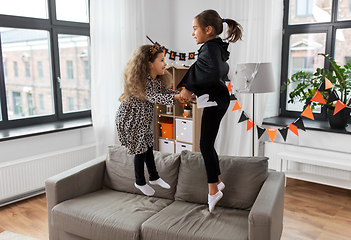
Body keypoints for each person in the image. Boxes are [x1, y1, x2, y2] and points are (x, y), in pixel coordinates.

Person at [178, 9, 243, 212]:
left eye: (195, 28)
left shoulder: (209, 48)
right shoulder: (214, 48)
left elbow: (210, 71)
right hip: (218, 99)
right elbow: (212, 72)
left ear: (207, 29)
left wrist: (189, 87)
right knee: (208, 143)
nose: (193, 33)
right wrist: (196, 89)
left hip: (216, 101)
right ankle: (217, 182)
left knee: (205, 145)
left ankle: (213, 189)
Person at [116, 44, 184, 196]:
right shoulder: (142, 82)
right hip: (131, 120)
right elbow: (154, 97)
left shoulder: (157, 80)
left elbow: (165, 92)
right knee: (140, 150)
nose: (165, 63)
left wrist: (180, 95)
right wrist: (177, 97)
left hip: (143, 121)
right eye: (161, 60)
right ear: (149, 63)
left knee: (148, 147)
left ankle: (154, 176)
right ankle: (139, 181)